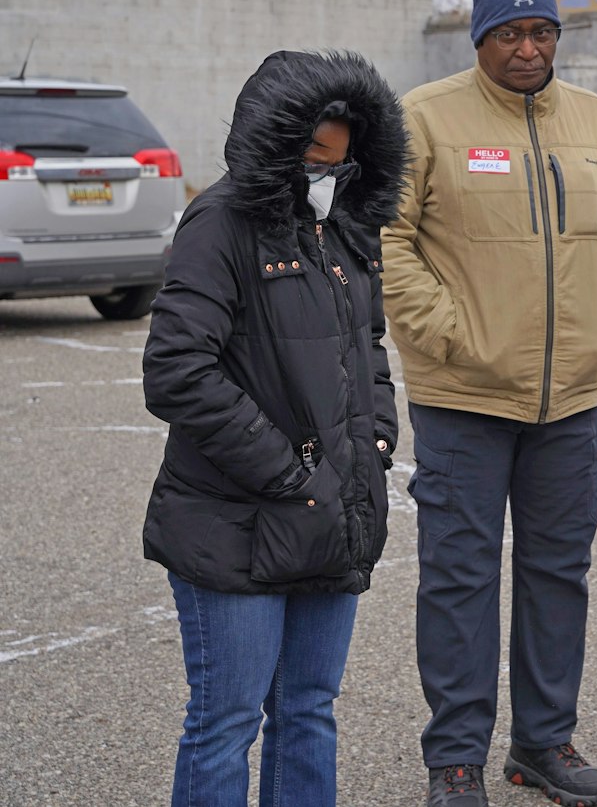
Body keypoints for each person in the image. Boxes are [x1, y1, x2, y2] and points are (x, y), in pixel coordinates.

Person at [382, 0, 597, 807]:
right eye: (511, 33)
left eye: (542, 32)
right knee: (459, 576)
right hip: (461, 398)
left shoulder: (596, 122)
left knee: (557, 571)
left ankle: (543, 741)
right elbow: (389, 242)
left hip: (570, 399)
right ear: (481, 38)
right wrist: (452, 337)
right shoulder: (424, 118)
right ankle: (456, 758)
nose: (529, 48)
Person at [142, 49, 410, 807]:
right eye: (314, 160)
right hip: (235, 523)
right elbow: (176, 371)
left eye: (342, 160)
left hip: (332, 517)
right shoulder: (220, 222)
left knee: (308, 712)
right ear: (275, 145)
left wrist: (377, 441)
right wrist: (291, 473)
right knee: (226, 721)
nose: (327, 175)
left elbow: (369, 347)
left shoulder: (348, 225)